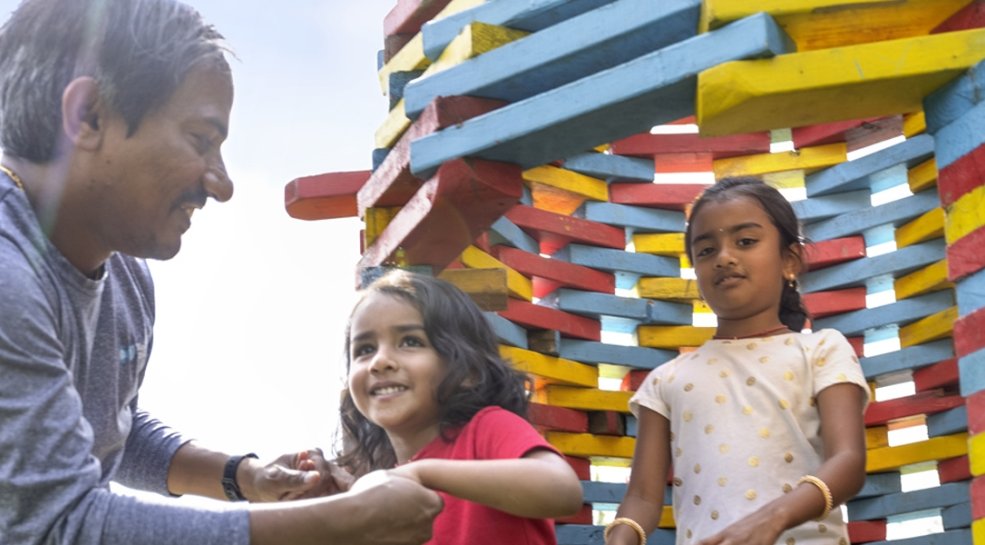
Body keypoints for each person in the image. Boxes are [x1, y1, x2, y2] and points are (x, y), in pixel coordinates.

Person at [0, 1, 441, 544]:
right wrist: (346, 520)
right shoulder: (8, 280)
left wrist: (242, 478)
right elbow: (55, 527)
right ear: (88, 115)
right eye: (201, 140)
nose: (221, 183)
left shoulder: (125, 279)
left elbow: (101, 427)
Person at [606, 178, 870, 545]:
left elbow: (849, 463)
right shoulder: (666, 381)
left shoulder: (822, 350)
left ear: (789, 261)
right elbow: (642, 498)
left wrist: (773, 518)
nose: (724, 258)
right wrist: (622, 536)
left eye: (745, 242)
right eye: (706, 250)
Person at [335, 270, 584, 545]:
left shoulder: (488, 428)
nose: (379, 362)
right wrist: (341, 498)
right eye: (365, 349)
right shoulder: (387, 479)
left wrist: (423, 473)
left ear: (469, 370)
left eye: (410, 342)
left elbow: (562, 490)